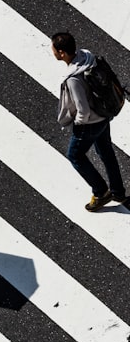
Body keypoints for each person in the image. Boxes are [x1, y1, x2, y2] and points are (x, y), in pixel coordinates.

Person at [52, 31, 126, 211]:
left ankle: (101, 192)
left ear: (62, 53)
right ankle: (117, 191)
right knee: (106, 152)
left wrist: (78, 124)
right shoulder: (87, 58)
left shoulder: (73, 79)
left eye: (54, 49)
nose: (52, 52)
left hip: (90, 124)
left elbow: (82, 110)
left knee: (75, 155)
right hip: (104, 115)